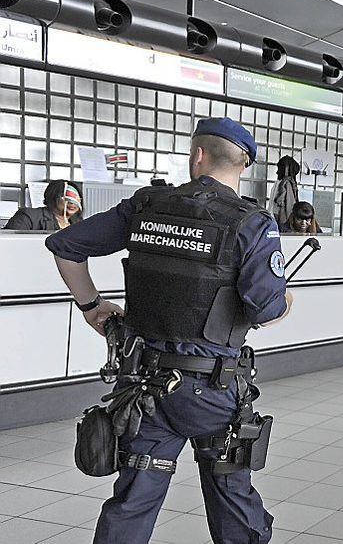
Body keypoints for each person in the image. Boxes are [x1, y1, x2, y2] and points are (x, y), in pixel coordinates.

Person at [45, 117, 293, 544]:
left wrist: (92, 306)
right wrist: (286, 301)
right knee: (232, 497)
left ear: (198, 155)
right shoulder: (251, 223)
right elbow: (265, 310)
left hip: (145, 389)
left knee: (133, 502)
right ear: (244, 165)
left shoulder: (145, 207)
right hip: (215, 390)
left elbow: (65, 246)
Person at [4, 180, 84, 230]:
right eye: (67, 197)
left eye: (77, 198)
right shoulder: (28, 217)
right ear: (53, 197)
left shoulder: (79, 222)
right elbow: (10, 244)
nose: (72, 202)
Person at [269, 155, 300, 227]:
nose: (277, 171)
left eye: (279, 168)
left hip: (276, 220)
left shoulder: (282, 183)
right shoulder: (285, 183)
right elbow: (289, 206)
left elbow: (288, 207)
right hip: (279, 221)